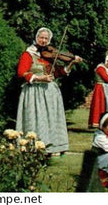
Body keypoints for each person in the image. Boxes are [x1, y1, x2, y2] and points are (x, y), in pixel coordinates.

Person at [16, 27, 82, 155]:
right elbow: (21, 73)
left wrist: (72, 63)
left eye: (46, 38)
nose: (43, 41)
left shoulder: (49, 56)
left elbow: (59, 72)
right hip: (34, 92)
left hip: (50, 93)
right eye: (41, 37)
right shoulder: (28, 54)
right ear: (36, 38)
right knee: (36, 118)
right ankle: (34, 145)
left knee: (50, 118)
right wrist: (40, 78)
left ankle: (52, 146)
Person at [88, 53, 108, 129]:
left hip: (104, 88)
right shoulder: (100, 68)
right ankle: (97, 122)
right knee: (100, 105)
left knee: (104, 105)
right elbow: (107, 79)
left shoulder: (105, 68)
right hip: (100, 88)